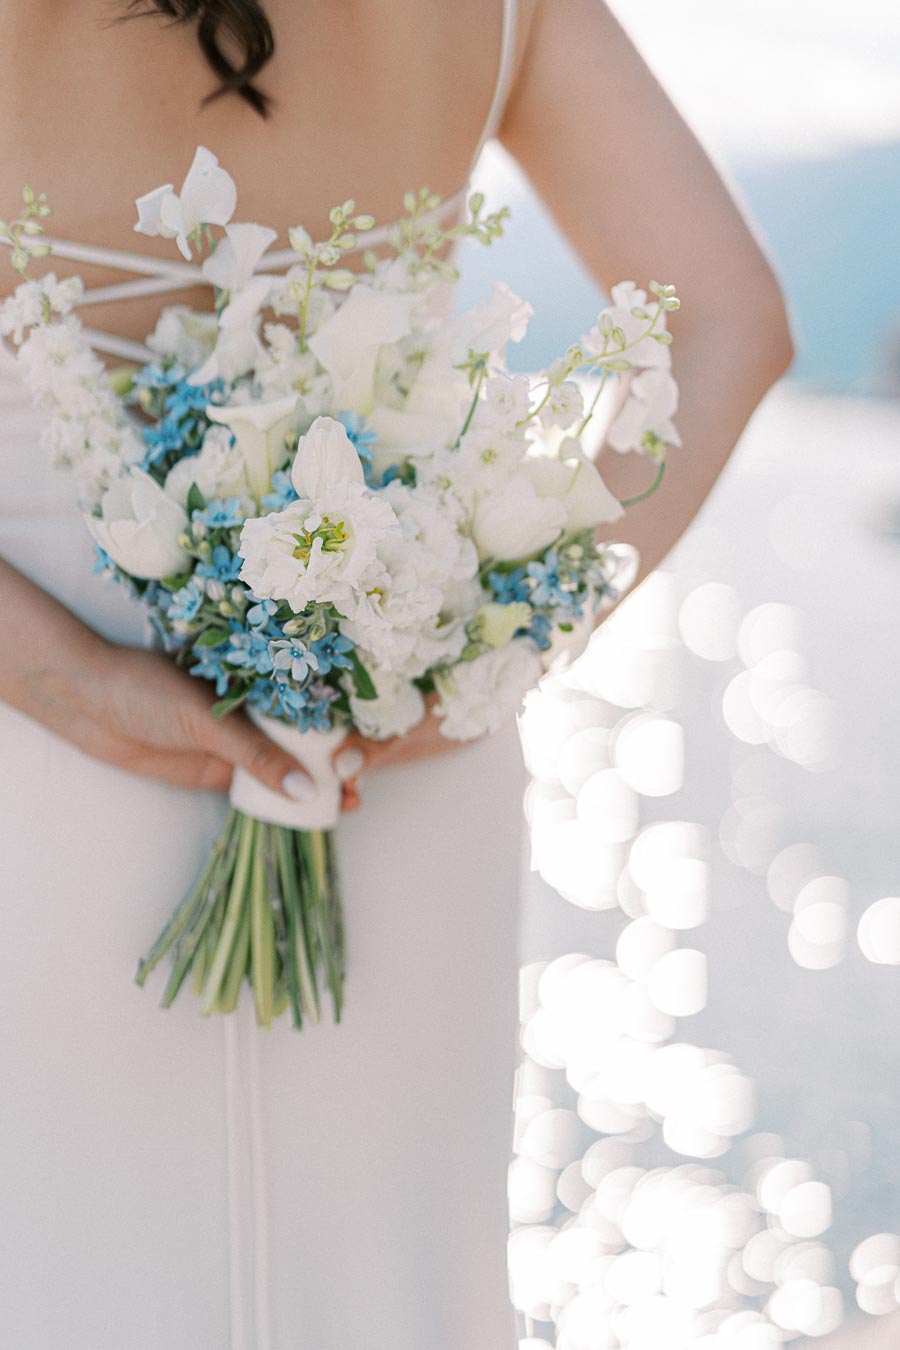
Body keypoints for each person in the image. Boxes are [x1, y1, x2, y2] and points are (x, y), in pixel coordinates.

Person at [0, 2, 793, 1347]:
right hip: (396, 770)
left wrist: (67, 675)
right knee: (389, 1283)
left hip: (39, 760)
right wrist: (491, 646)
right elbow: (733, 323)